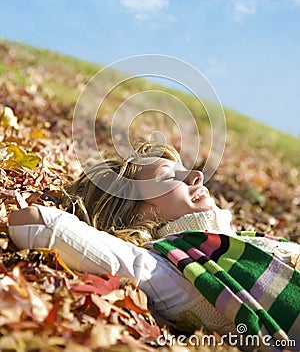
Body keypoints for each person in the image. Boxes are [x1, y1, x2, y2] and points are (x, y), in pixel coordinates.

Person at [8, 142, 300, 351]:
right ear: (134, 213)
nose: (195, 175)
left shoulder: (246, 244)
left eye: (183, 169)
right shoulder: (171, 271)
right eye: (166, 177)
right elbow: (35, 222)